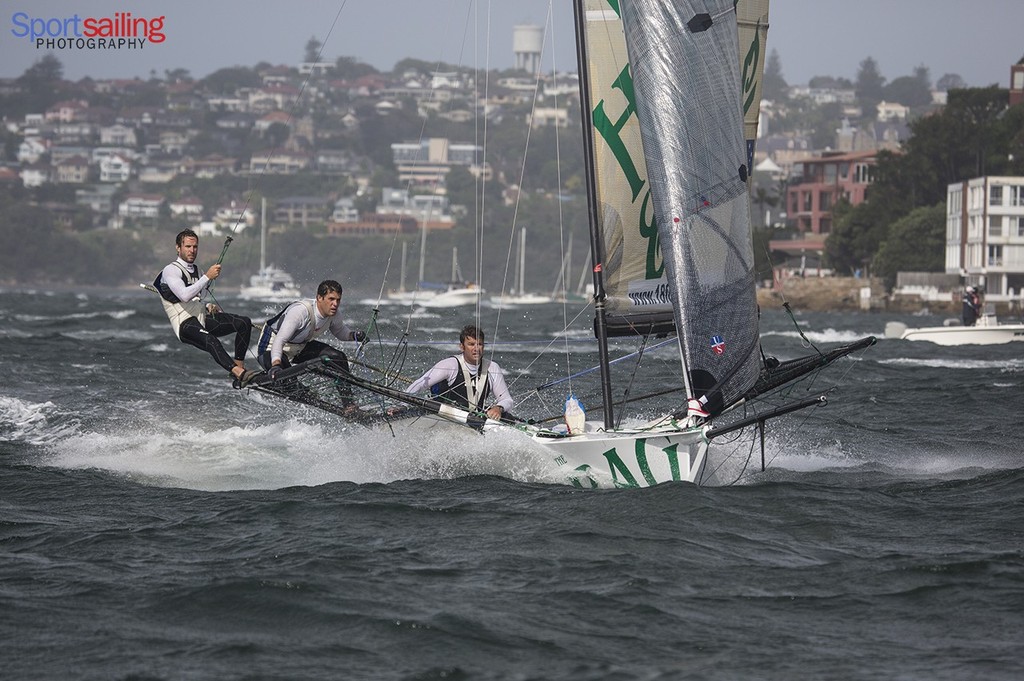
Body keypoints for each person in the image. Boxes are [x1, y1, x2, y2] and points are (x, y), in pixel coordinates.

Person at [155, 229, 257, 388]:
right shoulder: (171, 270)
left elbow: (197, 297)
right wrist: (207, 277)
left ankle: (239, 371)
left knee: (243, 323)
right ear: (178, 248)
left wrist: (208, 305)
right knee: (210, 339)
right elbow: (184, 295)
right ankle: (239, 373)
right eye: (188, 246)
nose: (192, 250)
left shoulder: (197, 270)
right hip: (184, 323)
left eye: (195, 247)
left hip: (200, 317)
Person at [257, 279, 365, 382]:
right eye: (331, 299)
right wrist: (276, 365)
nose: (335, 304)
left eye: (338, 300)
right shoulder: (300, 312)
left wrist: (354, 335)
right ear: (319, 298)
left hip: (299, 347)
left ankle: (348, 401)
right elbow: (279, 341)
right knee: (290, 382)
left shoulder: (334, 314)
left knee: (338, 358)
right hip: (271, 348)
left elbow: (340, 331)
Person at [405, 324, 513, 421]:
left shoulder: (492, 367)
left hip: (473, 420)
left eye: (479, 344)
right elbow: (419, 385)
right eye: (471, 344)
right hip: (441, 417)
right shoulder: (449, 365)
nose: (476, 349)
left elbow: (506, 399)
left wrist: (498, 408)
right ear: (462, 347)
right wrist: (401, 405)